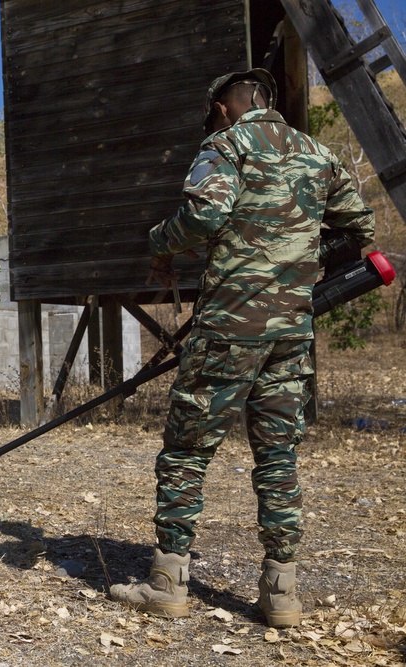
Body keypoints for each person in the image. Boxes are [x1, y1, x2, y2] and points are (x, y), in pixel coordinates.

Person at [109, 69, 375, 627]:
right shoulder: (318, 153)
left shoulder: (225, 145)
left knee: (186, 449)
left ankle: (169, 581)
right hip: (291, 331)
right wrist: (298, 261)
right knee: (277, 454)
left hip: (230, 327)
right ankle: (282, 592)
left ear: (224, 109)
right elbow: (358, 226)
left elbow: (205, 213)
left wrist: (160, 241)